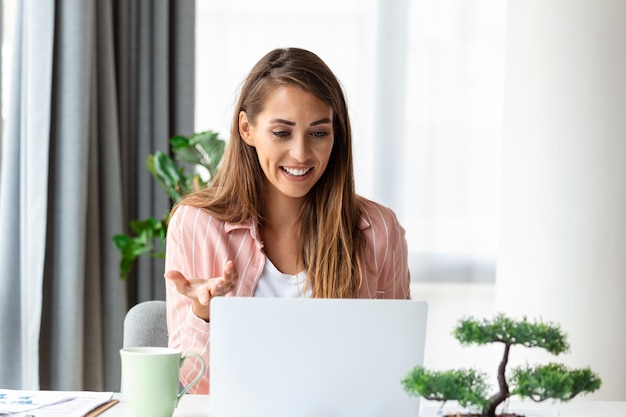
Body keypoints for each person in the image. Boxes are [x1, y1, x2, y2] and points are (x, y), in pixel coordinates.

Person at [164, 47, 411, 394]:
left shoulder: (379, 231)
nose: (301, 153)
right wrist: (203, 314)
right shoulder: (196, 226)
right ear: (247, 129)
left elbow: (395, 375)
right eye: (282, 133)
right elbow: (194, 388)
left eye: (319, 133)